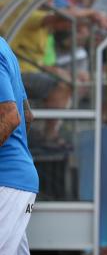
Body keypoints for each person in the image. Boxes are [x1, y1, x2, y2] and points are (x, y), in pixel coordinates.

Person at [0, 36, 38, 255]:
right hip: (17, 183)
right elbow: (27, 115)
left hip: (7, 184)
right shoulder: (4, 47)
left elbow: (11, 117)